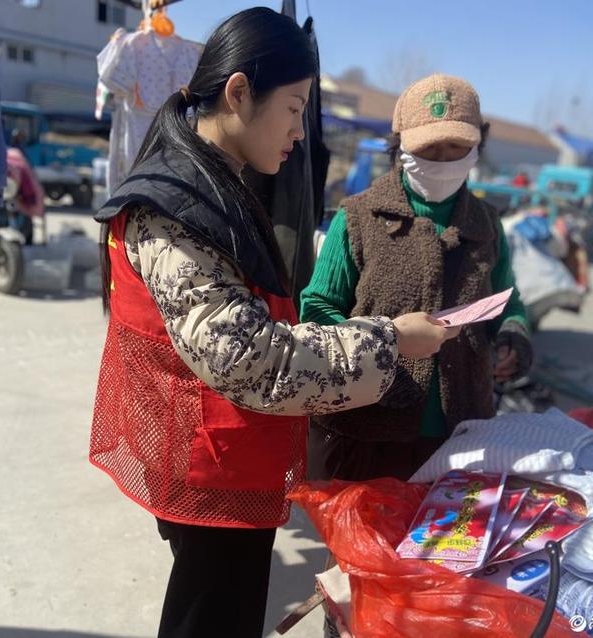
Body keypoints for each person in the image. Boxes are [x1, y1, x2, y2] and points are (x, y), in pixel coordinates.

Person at [88, 10, 458, 638]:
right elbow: (253, 360)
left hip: (222, 454)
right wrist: (392, 340)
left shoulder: (216, 184)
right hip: (209, 465)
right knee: (210, 614)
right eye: (293, 108)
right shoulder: (173, 208)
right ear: (238, 93)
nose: (298, 131)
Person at [300, 74, 533, 483]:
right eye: (430, 149)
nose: (443, 159)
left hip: (461, 433)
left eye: (456, 148)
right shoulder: (357, 217)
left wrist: (513, 335)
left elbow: (507, 302)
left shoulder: (487, 225)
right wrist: (383, 342)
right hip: (365, 431)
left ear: (478, 145)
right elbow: (318, 309)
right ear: (401, 145)